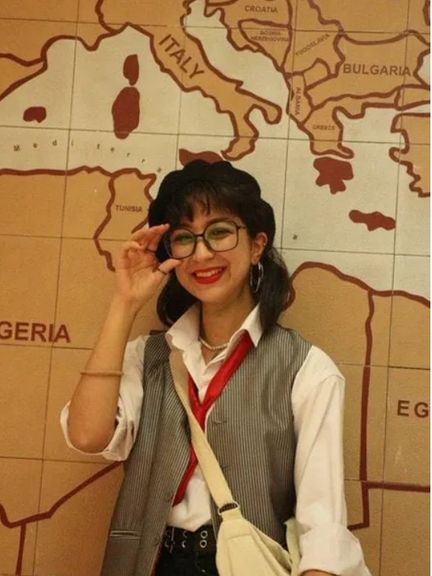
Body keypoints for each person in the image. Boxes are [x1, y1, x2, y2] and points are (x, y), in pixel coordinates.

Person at [61, 160, 371, 576]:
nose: (201, 253)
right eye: (183, 238)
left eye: (220, 232)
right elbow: (86, 436)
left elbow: (324, 527)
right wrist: (125, 303)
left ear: (257, 245)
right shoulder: (149, 357)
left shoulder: (307, 370)